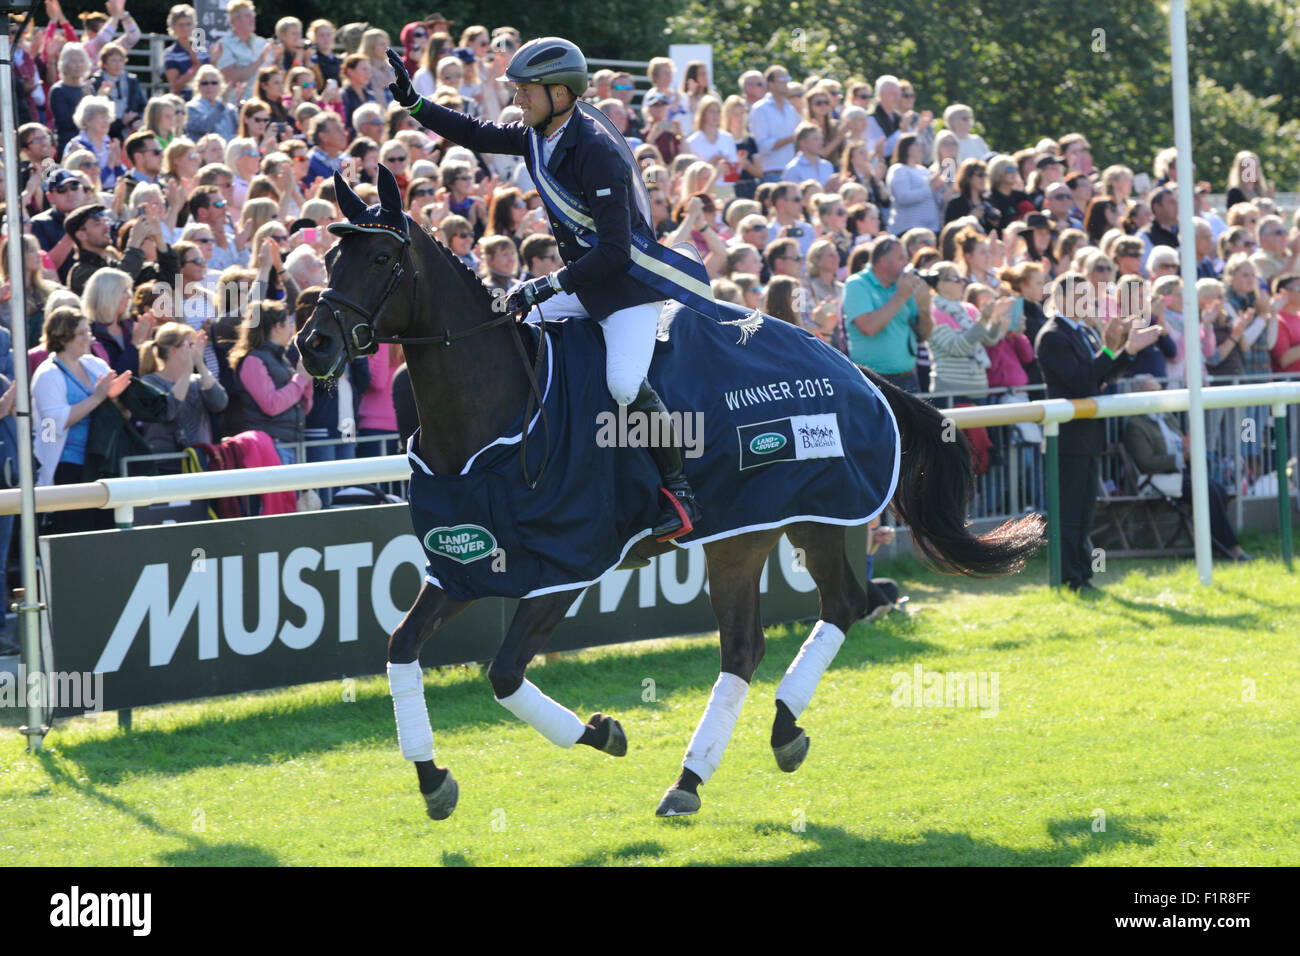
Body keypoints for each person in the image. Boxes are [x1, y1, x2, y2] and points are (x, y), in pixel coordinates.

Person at [387, 37, 702, 540]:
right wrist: (415, 103)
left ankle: (679, 490)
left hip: (626, 289)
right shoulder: (538, 133)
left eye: (526, 91)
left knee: (623, 385)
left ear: (561, 93)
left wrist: (549, 283)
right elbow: (473, 132)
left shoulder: (597, 152)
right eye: (516, 90)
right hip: (581, 280)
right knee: (504, 329)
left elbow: (616, 254)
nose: (517, 100)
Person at [1034, 273, 1161, 592]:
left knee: (1084, 510)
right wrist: (1109, 350)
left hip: (1087, 436)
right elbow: (1081, 381)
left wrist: (1128, 351)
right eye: (1079, 295)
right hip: (1068, 438)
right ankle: (1071, 577)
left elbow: (1100, 378)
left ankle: (1082, 575)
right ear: (1060, 299)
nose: (1087, 302)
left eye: (1087, 295)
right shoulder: (1052, 335)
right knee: (1069, 513)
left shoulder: (1082, 332)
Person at [1124, 375, 1252, 561]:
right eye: (1151, 392)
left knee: (1219, 489)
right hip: (1157, 479)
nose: (1158, 396)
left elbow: (1180, 445)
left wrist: (1188, 447)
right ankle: (1231, 548)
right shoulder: (1135, 425)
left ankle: (1215, 545)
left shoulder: (1167, 416)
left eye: (1159, 391)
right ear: (1139, 395)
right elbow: (1146, 463)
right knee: (1207, 490)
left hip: (1180, 473)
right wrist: (1181, 456)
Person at [31, 308, 130, 532]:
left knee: (105, 530)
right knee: (76, 530)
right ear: (63, 337)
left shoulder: (94, 364)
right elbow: (55, 423)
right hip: (68, 466)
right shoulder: (47, 374)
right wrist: (97, 397)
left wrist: (116, 397)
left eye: (89, 332)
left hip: (101, 461)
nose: (89, 339)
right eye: (82, 333)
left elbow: (109, 402)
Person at [842, 236, 933, 392]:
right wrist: (901, 296)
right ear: (884, 261)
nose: (907, 264)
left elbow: (924, 335)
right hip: (873, 380)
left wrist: (925, 308)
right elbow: (868, 327)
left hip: (909, 378)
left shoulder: (902, 286)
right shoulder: (857, 284)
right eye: (901, 258)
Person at [228, 299, 311, 464]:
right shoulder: (253, 360)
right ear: (277, 327)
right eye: (288, 323)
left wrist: (307, 380)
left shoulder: (281, 359)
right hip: (272, 446)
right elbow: (271, 405)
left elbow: (303, 407)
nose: (291, 329)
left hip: (291, 442)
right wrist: (301, 379)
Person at [137, 321, 227, 458]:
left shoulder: (197, 380)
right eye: (190, 345)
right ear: (173, 350)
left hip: (198, 463)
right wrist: (186, 373)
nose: (195, 349)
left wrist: (201, 365)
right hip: (166, 465)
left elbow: (220, 403)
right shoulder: (148, 383)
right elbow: (168, 412)